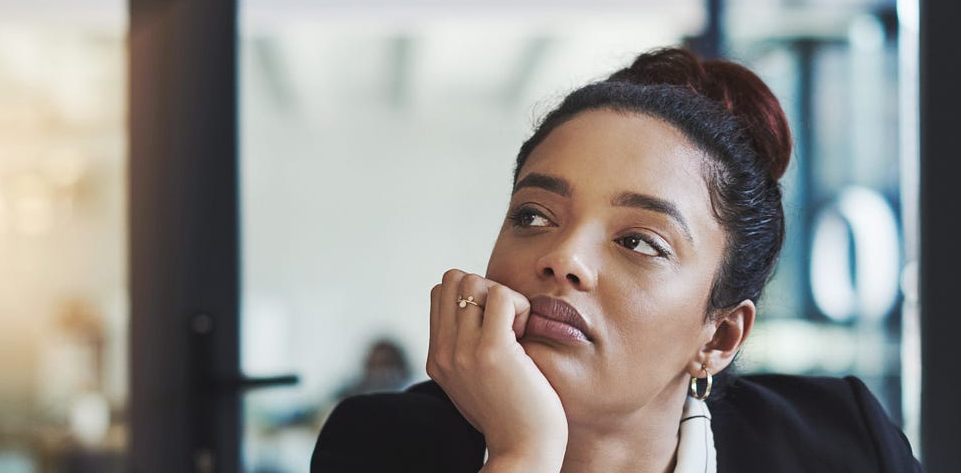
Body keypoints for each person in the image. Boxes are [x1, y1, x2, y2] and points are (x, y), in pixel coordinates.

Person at [312, 47, 922, 472]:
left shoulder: (841, 441)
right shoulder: (382, 445)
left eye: (638, 242)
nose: (563, 257)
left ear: (720, 334)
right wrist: (523, 452)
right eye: (533, 215)